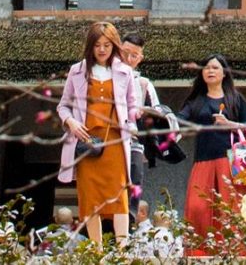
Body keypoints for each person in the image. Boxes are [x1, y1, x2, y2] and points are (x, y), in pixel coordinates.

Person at [58, 19, 139, 249]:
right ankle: (97, 251)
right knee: (90, 198)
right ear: (90, 46)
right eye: (97, 45)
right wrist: (71, 122)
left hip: (114, 140)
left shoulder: (125, 72)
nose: (102, 49)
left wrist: (132, 121)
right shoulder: (77, 71)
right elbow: (63, 106)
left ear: (114, 45)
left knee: (119, 197)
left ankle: (123, 251)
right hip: (86, 142)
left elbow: (132, 105)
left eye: (107, 44)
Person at [176, 54, 246, 253]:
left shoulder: (236, 99)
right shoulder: (195, 100)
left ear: (224, 73)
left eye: (215, 68)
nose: (210, 71)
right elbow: (178, 121)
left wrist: (229, 124)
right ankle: (199, 255)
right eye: (206, 67)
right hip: (203, 162)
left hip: (230, 162)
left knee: (230, 210)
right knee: (197, 208)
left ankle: (233, 254)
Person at [118, 31, 182, 206]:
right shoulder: (105, 78)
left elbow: (158, 114)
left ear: (140, 58)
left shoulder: (144, 84)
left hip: (134, 142)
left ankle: (127, 229)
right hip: (110, 139)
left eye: (134, 55)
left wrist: (145, 111)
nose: (129, 58)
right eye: (125, 53)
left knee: (133, 188)